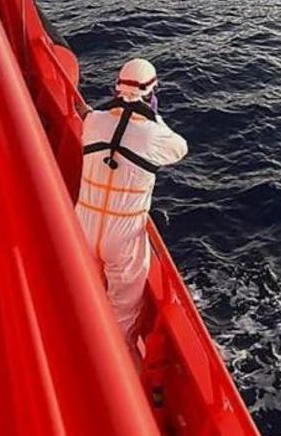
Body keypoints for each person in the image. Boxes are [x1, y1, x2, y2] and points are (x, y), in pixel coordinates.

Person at [76, 58, 188, 349]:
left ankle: (80, 336)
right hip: (122, 235)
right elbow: (179, 149)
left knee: (85, 290)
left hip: (83, 225)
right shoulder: (156, 135)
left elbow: (96, 121)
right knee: (122, 311)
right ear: (152, 94)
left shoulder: (93, 121)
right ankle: (112, 357)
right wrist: (153, 116)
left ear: (116, 87)